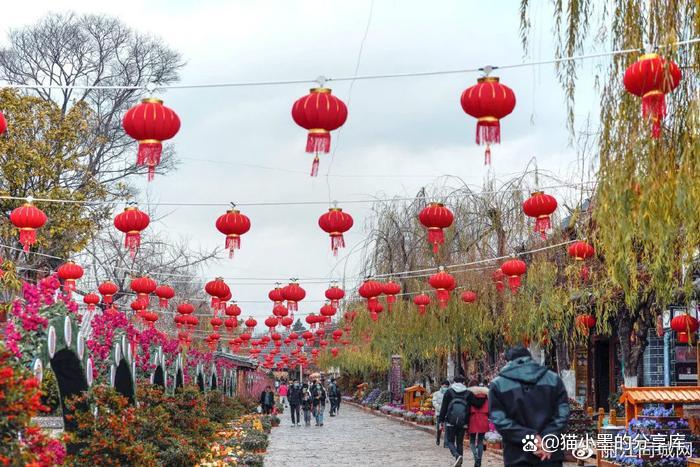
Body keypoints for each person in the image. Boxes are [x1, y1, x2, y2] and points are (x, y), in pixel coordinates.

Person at [489, 345, 570, 467]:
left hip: (517, 456)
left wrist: (531, 438)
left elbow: (500, 420)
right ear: (530, 358)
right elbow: (562, 415)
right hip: (549, 453)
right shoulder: (553, 379)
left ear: (507, 362)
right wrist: (547, 439)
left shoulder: (498, 384)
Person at [438, 375, 474, 467]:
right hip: (463, 422)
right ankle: (460, 463)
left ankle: (457, 455)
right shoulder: (468, 393)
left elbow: (444, 408)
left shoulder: (449, 392)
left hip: (450, 421)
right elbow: (470, 408)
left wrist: (441, 420)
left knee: (450, 441)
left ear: (454, 382)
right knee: (459, 443)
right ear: (463, 382)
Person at [467, 378, 489, 467]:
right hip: (483, 417)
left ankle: (476, 458)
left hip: (473, 418)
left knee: (472, 441)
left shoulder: (469, 394)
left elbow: (467, 408)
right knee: (480, 441)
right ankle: (479, 460)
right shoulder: (485, 394)